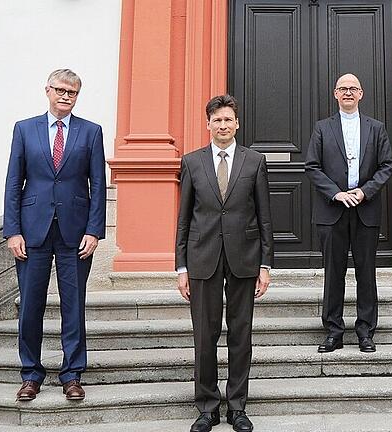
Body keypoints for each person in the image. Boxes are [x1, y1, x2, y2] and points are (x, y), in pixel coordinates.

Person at [3, 69, 106, 401]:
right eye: (60, 90)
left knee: (73, 306)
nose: (65, 96)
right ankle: (31, 373)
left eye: (72, 92)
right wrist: (12, 231)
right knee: (30, 305)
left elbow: (98, 186)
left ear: (78, 96)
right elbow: (13, 184)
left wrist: (94, 230)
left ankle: (72, 374)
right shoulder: (25, 129)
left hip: (75, 234)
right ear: (47, 90)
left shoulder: (91, 132)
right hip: (32, 232)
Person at [175, 94, 273, 432]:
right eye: (217, 120)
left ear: (237, 124)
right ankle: (207, 407)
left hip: (244, 259)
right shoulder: (191, 162)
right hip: (202, 260)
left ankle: (237, 407)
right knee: (205, 335)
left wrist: (266, 264)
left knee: (241, 334)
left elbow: (265, 218)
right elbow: (184, 219)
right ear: (208, 124)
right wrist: (181, 267)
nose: (223, 125)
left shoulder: (254, 161)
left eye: (228, 120)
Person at [305, 73, 392, 354]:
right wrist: (336, 192)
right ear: (335, 94)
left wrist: (364, 191)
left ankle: (366, 331)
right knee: (334, 273)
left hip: (365, 209)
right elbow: (312, 166)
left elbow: (387, 165)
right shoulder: (322, 128)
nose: (348, 92)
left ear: (361, 94)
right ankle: (333, 332)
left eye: (353, 88)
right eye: (343, 88)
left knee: (366, 273)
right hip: (332, 210)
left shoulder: (376, 128)